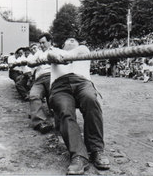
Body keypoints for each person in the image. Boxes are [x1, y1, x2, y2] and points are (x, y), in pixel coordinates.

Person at [47, 37, 110, 175]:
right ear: (62, 45)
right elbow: (50, 54)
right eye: (67, 40)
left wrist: (65, 58)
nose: (71, 41)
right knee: (64, 109)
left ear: (77, 44)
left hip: (82, 82)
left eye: (73, 40)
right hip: (60, 85)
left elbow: (79, 50)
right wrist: (57, 57)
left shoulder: (83, 50)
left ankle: (96, 150)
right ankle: (79, 155)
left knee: (91, 100)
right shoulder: (55, 50)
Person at [27, 33, 54, 133]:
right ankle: (40, 123)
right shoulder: (38, 53)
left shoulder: (55, 51)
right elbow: (30, 62)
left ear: (50, 42)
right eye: (40, 43)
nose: (41, 45)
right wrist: (39, 61)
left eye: (43, 43)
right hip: (39, 79)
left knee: (55, 98)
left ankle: (60, 120)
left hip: (52, 76)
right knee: (33, 95)